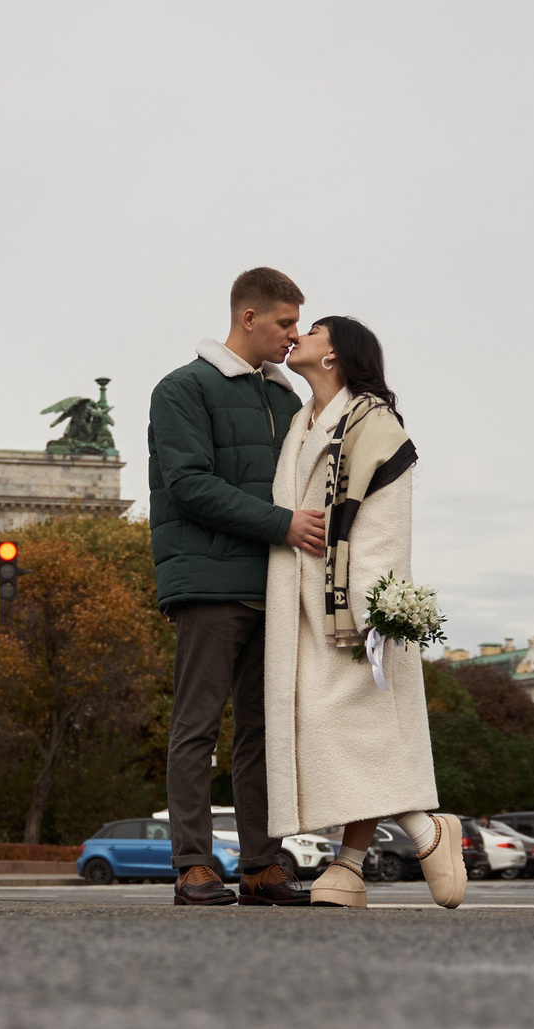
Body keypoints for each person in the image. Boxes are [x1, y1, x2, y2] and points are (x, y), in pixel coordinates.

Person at [263, 316, 466, 910]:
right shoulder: (303, 421)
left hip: (350, 606)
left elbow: (385, 521)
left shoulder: (374, 423)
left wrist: (373, 608)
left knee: (344, 727)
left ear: (335, 355)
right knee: (350, 728)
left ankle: (424, 831)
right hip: (300, 600)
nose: (300, 334)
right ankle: (348, 867)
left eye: (315, 328)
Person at [148, 268, 320, 908]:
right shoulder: (182, 389)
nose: (291, 336)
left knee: (262, 733)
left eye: (297, 325)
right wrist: (284, 525)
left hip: (273, 586)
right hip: (210, 584)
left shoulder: (285, 400)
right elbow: (189, 485)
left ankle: (261, 867)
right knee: (197, 729)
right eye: (283, 323)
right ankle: (193, 864)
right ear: (249, 318)